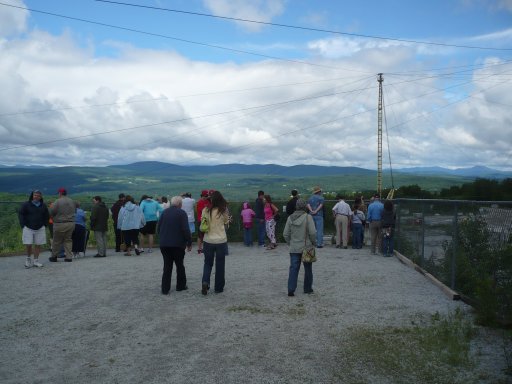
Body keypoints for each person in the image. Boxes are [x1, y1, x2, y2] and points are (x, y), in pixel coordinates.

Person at [158, 196, 192, 295]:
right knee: (179, 265)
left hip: (164, 244)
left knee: (167, 266)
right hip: (177, 244)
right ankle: (180, 286)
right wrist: (189, 242)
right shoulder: (182, 213)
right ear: (180, 204)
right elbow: (186, 230)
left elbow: (158, 228)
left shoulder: (164, 212)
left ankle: (165, 289)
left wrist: (163, 238)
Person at [283, 199, 316, 297]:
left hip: (294, 247)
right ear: (305, 207)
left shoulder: (290, 218)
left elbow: (285, 234)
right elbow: (313, 233)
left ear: (296, 207)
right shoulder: (308, 217)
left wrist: (290, 243)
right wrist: (313, 242)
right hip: (307, 247)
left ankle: (291, 290)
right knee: (308, 269)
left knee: (293, 268)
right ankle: (307, 289)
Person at [201, 190, 231, 295]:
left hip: (208, 240)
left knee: (207, 263)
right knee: (220, 264)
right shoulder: (223, 210)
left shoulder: (205, 210)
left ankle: (205, 282)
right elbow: (227, 222)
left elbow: (202, 222)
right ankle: (218, 288)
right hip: (221, 241)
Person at [18, 190, 49, 268]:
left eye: (38, 195)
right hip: (28, 228)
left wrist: (45, 225)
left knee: (38, 244)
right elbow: (21, 214)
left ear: (41, 197)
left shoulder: (43, 205)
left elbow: (46, 215)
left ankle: (36, 261)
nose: (36, 197)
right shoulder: (26, 204)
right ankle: (28, 259)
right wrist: (23, 225)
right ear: (32, 196)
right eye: (35, 195)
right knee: (28, 244)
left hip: (40, 228)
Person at [49, 188, 75, 262]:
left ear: (60, 193)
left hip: (60, 224)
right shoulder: (71, 201)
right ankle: (69, 257)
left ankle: (54, 257)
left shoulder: (58, 201)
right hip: (71, 223)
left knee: (56, 241)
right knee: (68, 240)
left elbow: (51, 212)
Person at [196, 190, 211, 254]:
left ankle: (205, 248)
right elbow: (203, 211)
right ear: (203, 196)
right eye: (206, 196)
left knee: (206, 235)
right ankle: (199, 249)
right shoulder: (200, 202)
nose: (206, 197)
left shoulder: (207, 201)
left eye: (207, 196)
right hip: (201, 221)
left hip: (206, 220)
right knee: (200, 236)